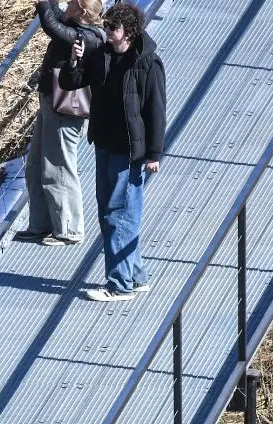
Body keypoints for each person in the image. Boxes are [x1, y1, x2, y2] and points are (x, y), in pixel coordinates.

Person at [62, 0, 166, 301]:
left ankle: (119, 284)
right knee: (116, 213)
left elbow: (156, 111)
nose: (107, 31)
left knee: (118, 214)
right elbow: (71, 82)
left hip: (129, 150)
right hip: (105, 144)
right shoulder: (102, 55)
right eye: (106, 26)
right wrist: (75, 60)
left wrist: (154, 155)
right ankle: (136, 276)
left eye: (113, 28)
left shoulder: (148, 63)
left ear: (129, 32)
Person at [22, 0, 106, 244]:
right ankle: (40, 224)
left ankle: (69, 229)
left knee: (58, 168)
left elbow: (51, 25)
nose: (65, 4)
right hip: (51, 103)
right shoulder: (76, 26)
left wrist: (41, 3)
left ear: (81, 11)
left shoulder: (88, 37)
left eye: (70, 3)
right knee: (36, 165)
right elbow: (57, 17)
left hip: (64, 110)